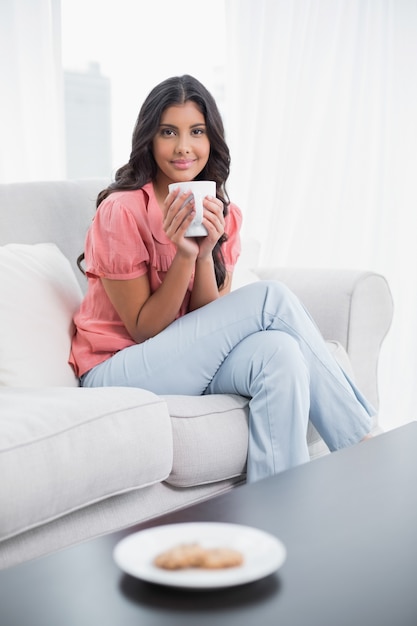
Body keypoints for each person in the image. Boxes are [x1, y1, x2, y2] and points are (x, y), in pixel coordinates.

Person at [69, 74, 374, 483]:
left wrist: (205, 251)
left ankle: (280, 519)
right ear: (149, 139)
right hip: (117, 370)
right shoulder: (122, 211)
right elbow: (144, 331)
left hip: (182, 363)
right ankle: (365, 447)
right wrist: (183, 254)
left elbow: (208, 324)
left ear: (211, 138)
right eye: (168, 132)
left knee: (279, 353)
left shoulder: (222, 215)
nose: (183, 147)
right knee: (270, 300)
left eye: (196, 131)